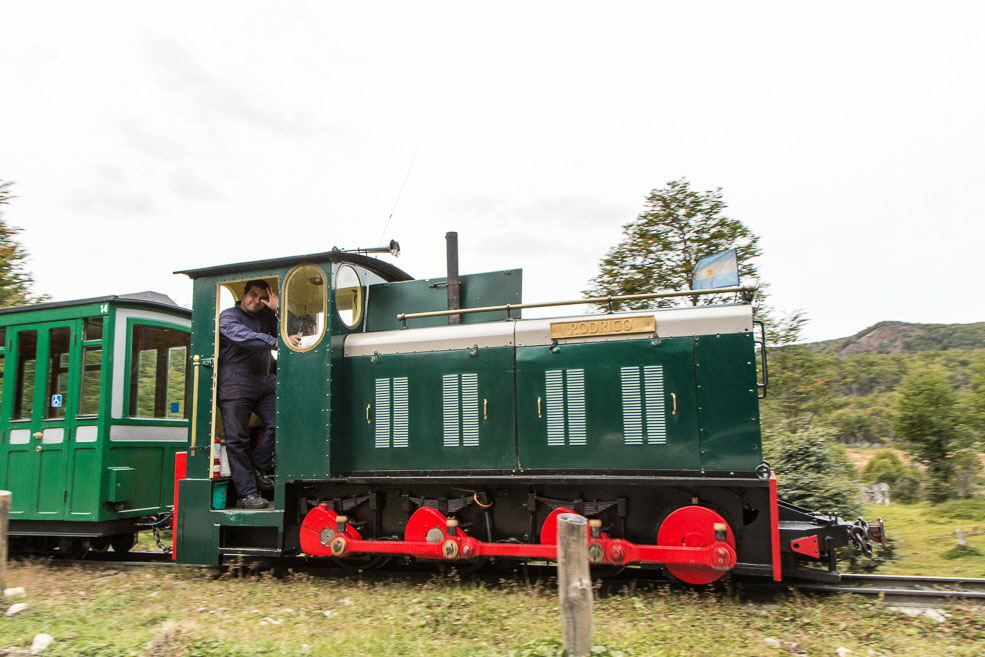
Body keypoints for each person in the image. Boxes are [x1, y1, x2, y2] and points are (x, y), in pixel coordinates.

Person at [217, 280, 300, 509]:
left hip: (264, 381)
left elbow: (299, 330)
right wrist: (275, 341)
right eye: (253, 295)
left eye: (262, 298)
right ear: (244, 294)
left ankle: (257, 465)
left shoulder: (267, 317)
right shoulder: (228, 317)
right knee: (237, 440)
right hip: (234, 383)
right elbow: (242, 336)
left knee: (283, 421)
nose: (256, 301)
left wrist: (278, 309)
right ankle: (247, 495)